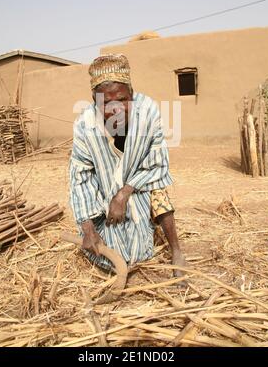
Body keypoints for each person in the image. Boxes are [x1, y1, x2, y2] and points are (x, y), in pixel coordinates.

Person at [70, 54, 185, 277]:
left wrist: (123, 194)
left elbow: (158, 163)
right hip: (103, 199)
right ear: (95, 100)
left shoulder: (148, 112)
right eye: (106, 103)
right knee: (110, 257)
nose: (116, 109)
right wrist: (87, 228)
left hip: (139, 187)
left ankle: (177, 251)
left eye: (122, 100)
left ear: (131, 94)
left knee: (159, 189)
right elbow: (80, 178)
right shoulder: (84, 125)